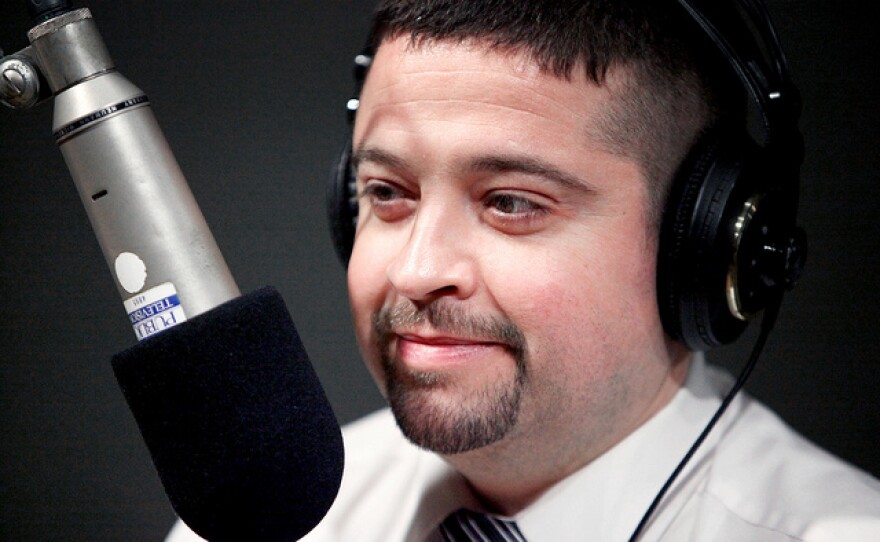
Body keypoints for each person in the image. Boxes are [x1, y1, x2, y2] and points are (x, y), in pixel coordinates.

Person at [168, 0, 880, 540]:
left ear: (702, 247)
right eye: (387, 192)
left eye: (510, 203)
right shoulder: (271, 522)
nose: (416, 270)